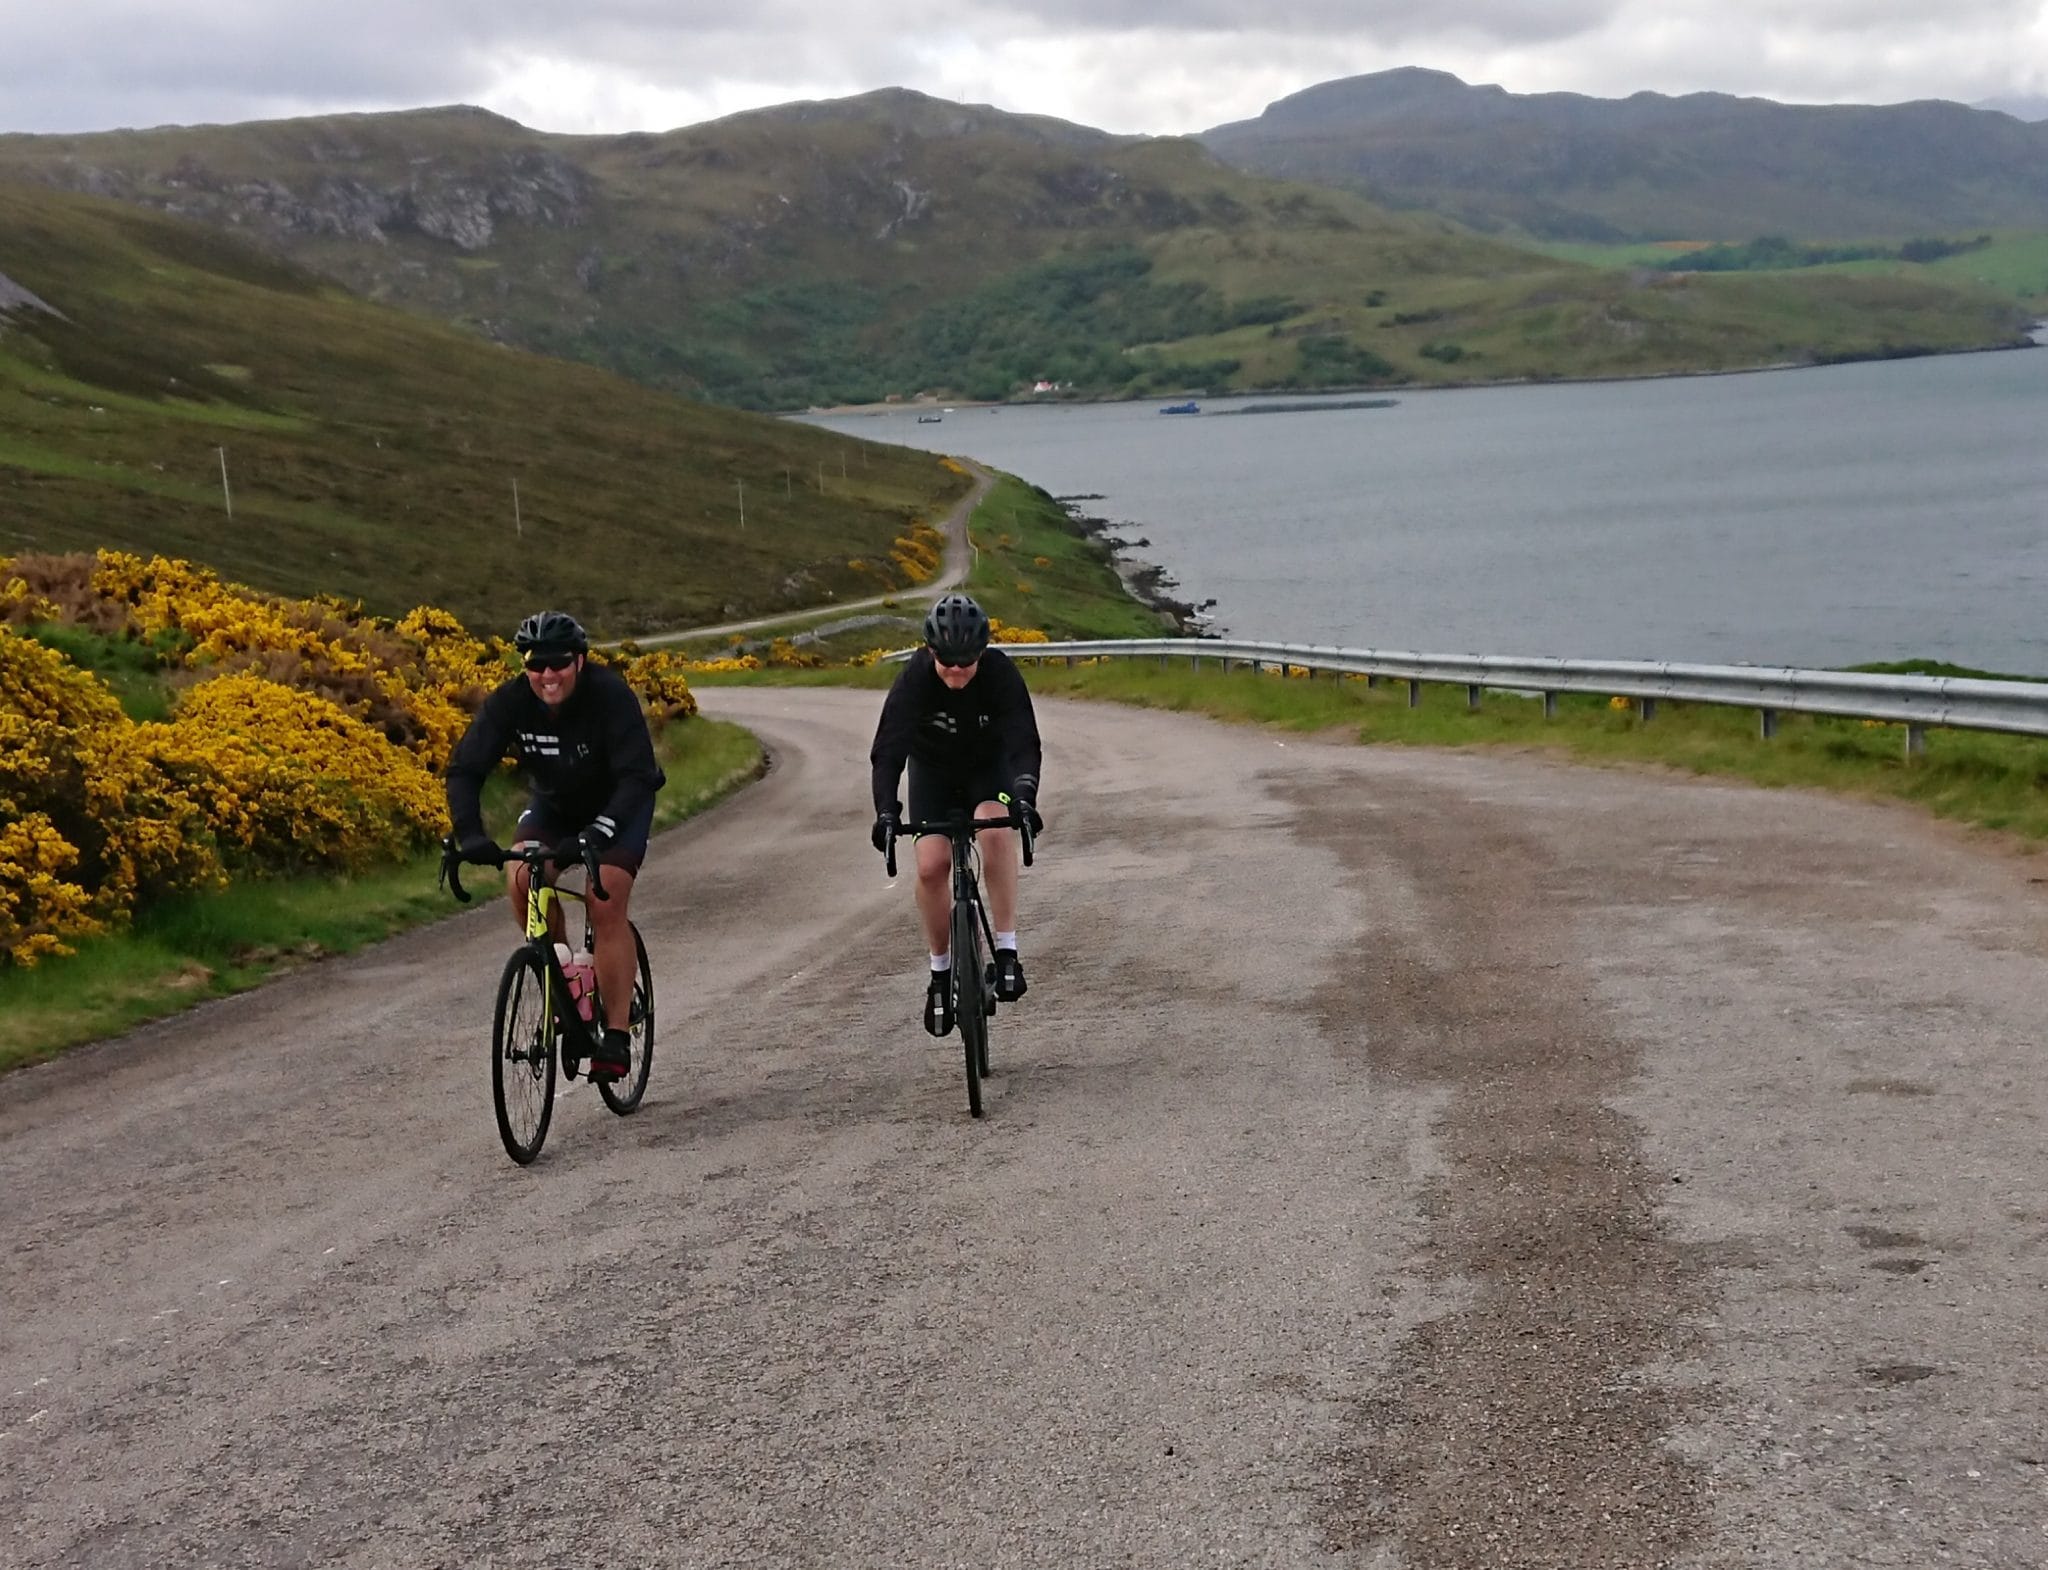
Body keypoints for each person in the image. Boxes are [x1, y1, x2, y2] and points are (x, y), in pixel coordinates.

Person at [445, 610, 665, 1081]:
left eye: (559, 663)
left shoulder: (609, 696)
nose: (547, 674)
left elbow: (637, 777)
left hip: (619, 804)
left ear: (580, 661)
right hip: (556, 806)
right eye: (535, 663)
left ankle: (617, 1034)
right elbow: (465, 770)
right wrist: (471, 835)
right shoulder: (510, 703)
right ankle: (565, 980)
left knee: (602, 895)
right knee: (523, 878)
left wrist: (598, 833)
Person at [869, 592, 1044, 1037]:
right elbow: (888, 753)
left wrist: (1024, 797)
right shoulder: (915, 680)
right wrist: (887, 811)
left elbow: (1025, 741)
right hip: (933, 774)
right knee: (931, 866)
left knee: (994, 829)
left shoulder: (1000, 674)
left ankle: (1006, 951)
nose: (956, 672)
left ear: (982, 653)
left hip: (988, 772)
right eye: (946, 662)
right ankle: (940, 972)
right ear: (931, 652)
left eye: (966, 663)